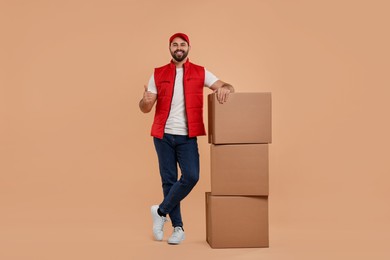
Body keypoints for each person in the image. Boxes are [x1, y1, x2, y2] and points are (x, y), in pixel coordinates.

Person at [139, 32, 234, 245]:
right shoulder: (158, 73)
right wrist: (144, 101)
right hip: (163, 135)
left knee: (191, 176)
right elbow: (146, 108)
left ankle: (160, 211)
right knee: (169, 181)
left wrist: (227, 89)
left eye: (182, 44)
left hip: (187, 137)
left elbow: (226, 85)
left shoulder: (200, 72)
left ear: (188, 47)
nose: (178, 47)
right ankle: (178, 228)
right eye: (175, 44)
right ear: (170, 48)